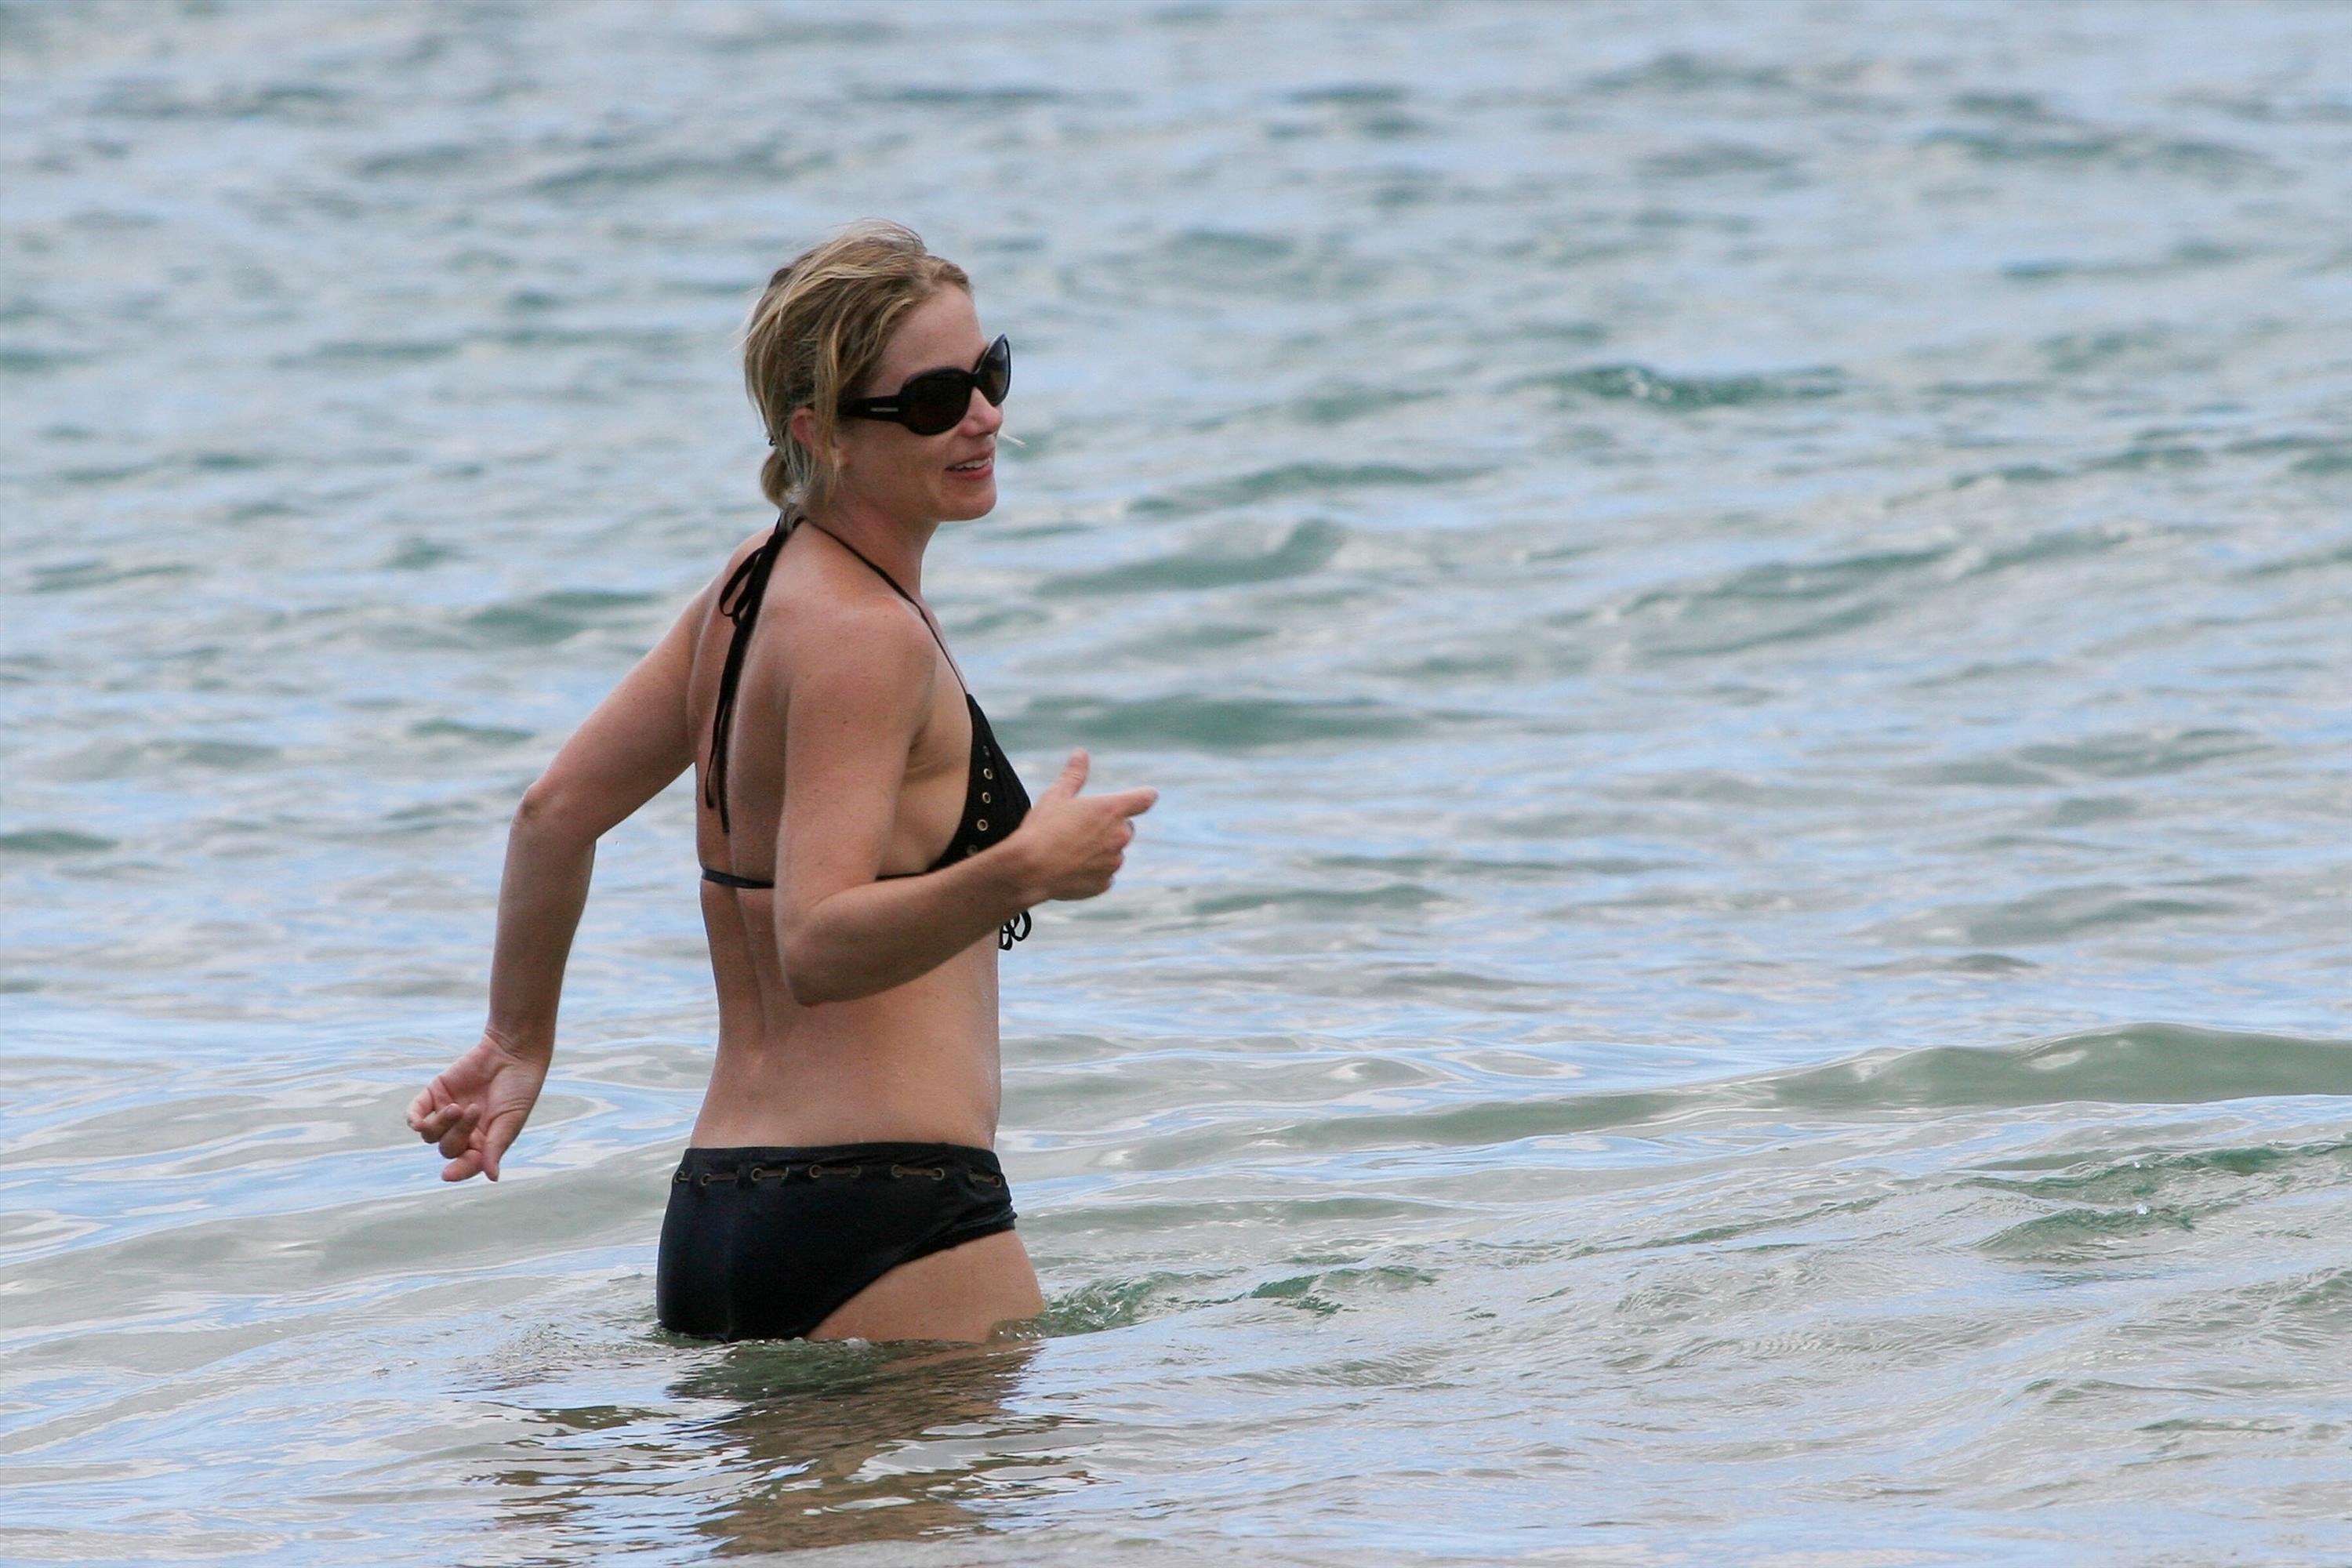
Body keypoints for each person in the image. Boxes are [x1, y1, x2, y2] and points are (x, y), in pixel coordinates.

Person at [404, 221, 1158, 1343]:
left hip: (719, 1213)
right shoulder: (866, 635)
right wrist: (1022, 870)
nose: (984, 417)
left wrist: (519, 1043)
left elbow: (553, 815)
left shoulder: (750, 590)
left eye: (989, 373)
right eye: (934, 399)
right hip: (889, 1213)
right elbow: (818, 944)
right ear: (821, 432)